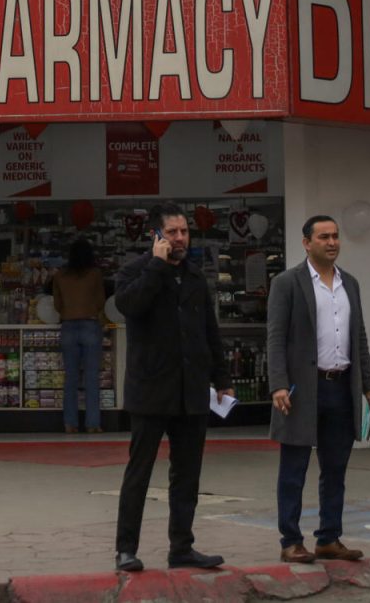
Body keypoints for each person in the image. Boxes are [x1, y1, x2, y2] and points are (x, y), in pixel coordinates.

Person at [112, 202, 233, 573]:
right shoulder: (136, 272)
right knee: (139, 472)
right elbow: (129, 306)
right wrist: (157, 264)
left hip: (191, 391)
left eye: (184, 232)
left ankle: (182, 547)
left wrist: (222, 380)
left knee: (187, 475)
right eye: (173, 232)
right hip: (151, 390)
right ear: (157, 235)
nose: (180, 238)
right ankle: (125, 550)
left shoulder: (196, 278)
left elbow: (209, 333)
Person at [267, 214, 370, 563]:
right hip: (302, 388)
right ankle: (291, 540)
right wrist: (277, 385)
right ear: (306, 243)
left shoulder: (351, 284)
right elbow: (275, 338)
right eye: (323, 237)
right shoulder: (288, 283)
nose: (332, 243)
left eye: (335, 236)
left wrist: (369, 384)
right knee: (294, 468)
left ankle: (328, 538)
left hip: (341, 387)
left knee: (335, 469)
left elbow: (358, 335)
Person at [52, 237, 108, 433]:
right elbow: (101, 300)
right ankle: (93, 424)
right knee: (92, 377)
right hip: (90, 324)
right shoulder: (95, 274)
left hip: (68, 325)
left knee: (71, 378)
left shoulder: (60, 275)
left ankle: (70, 423)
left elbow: (57, 304)